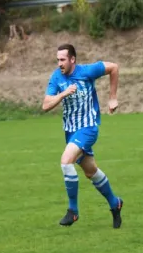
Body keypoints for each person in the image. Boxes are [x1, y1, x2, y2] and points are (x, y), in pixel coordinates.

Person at [42, 44, 123, 228]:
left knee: (65, 161)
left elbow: (114, 67)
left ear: (72, 59)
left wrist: (112, 97)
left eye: (63, 60)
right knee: (90, 171)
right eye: (58, 60)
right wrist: (63, 93)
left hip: (88, 128)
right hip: (71, 131)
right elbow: (45, 105)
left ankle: (73, 211)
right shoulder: (56, 77)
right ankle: (115, 203)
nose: (59, 63)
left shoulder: (87, 71)